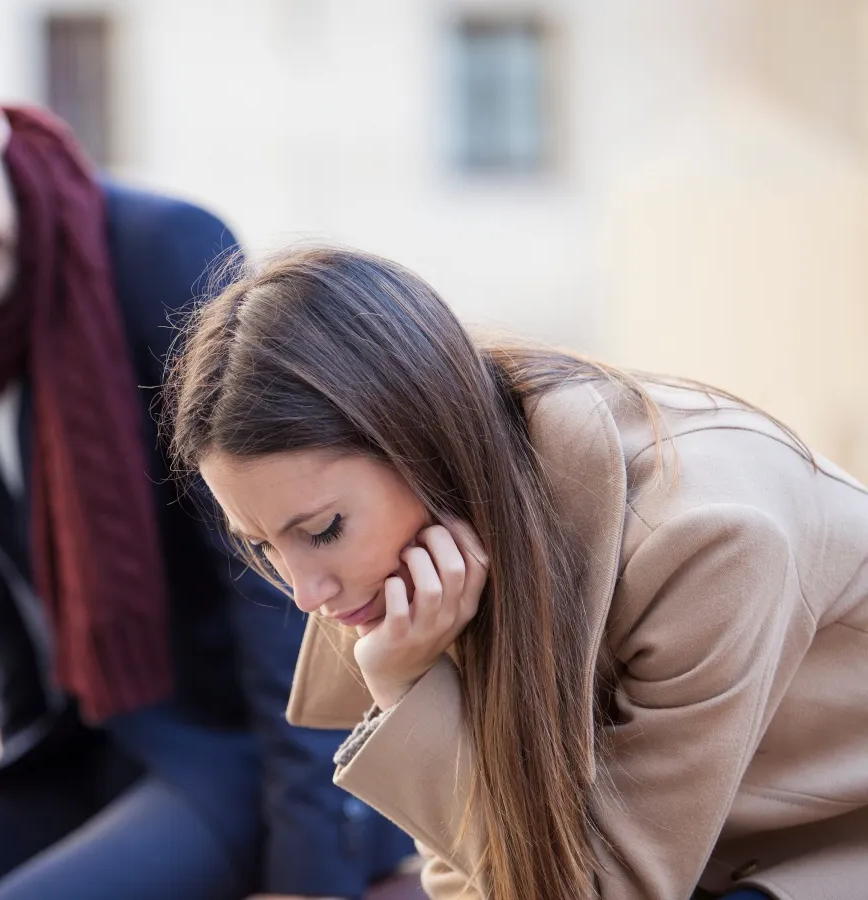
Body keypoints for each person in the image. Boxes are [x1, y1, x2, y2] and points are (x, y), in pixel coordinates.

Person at [0, 18, 413, 900]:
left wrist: (313, 870)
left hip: (244, 754)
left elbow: (280, 581)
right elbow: (1, 597)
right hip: (93, 752)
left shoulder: (162, 251)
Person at [165, 245, 868, 900]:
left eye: (322, 531)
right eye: (261, 547)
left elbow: (603, 890)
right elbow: (477, 876)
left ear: (420, 442)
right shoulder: (440, 538)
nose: (308, 594)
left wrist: (409, 689)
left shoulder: (709, 537)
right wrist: (415, 680)